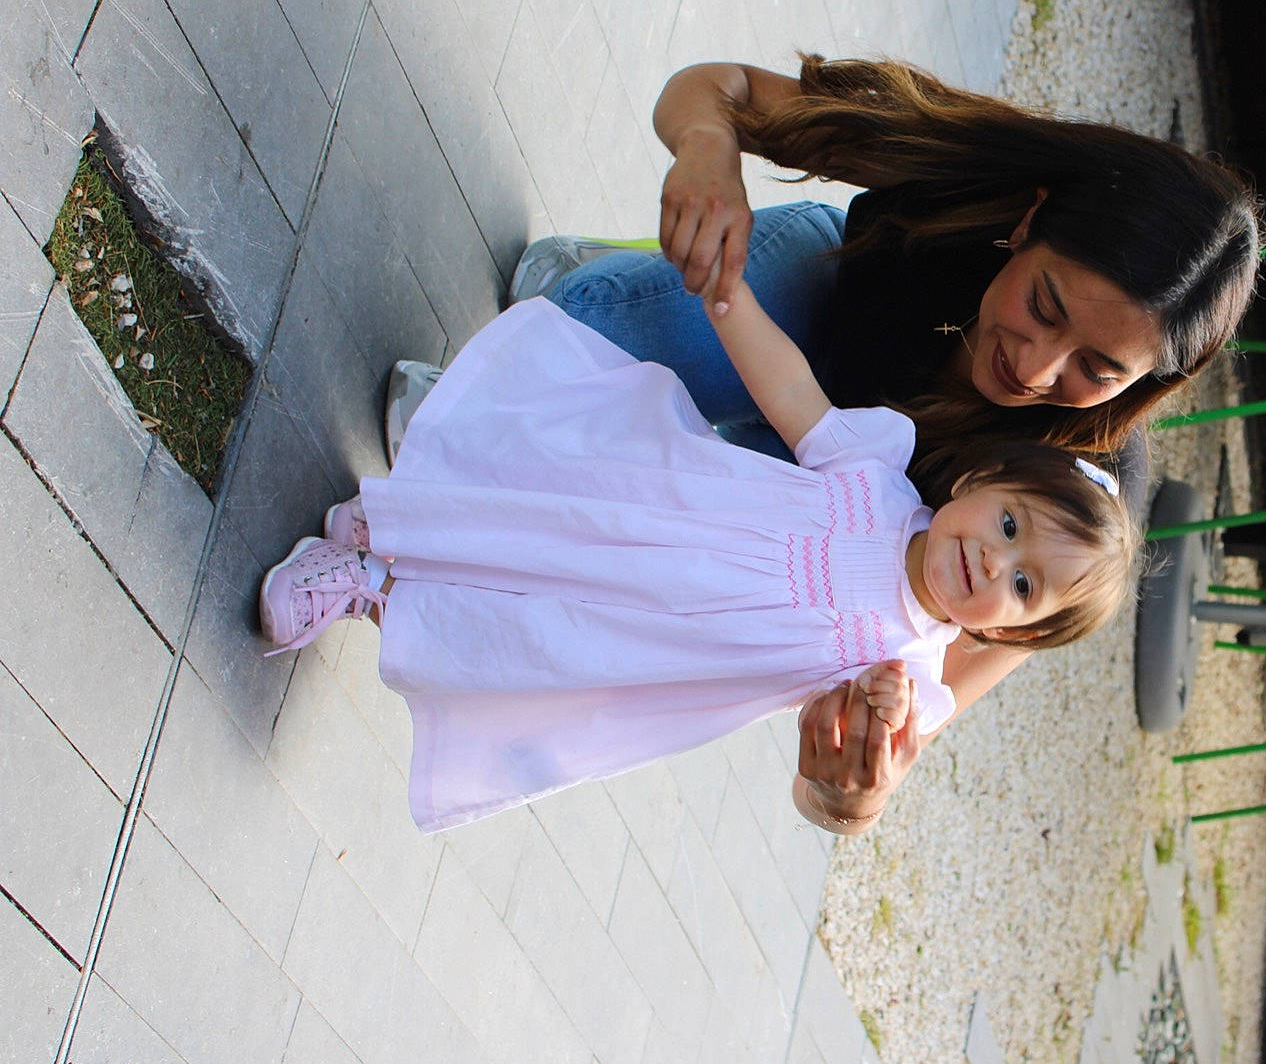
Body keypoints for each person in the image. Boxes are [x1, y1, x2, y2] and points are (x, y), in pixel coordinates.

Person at [386, 54, 1263, 829]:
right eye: (1043, 304)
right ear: (1030, 220)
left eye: (1099, 367)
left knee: (695, 574)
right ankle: (595, 304)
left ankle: (509, 465)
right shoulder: (957, 182)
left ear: (1145, 383)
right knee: (604, 317)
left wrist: (850, 792)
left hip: (808, 505)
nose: (1038, 368)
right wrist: (706, 159)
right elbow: (712, 89)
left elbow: (929, 699)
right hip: (799, 324)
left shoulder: (1081, 503)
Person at [258, 271, 1138, 834]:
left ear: (1013, 638)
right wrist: (728, 294)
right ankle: (375, 535)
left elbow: (859, 774)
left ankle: (372, 595)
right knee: (531, 527)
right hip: (643, 512)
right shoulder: (879, 472)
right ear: (980, 481)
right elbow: (792, 391)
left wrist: (872, 734)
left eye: (1022, 586)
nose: (993, 560)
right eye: (1010, 525)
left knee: (527, 632)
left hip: (651, 640)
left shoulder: (908, 671)